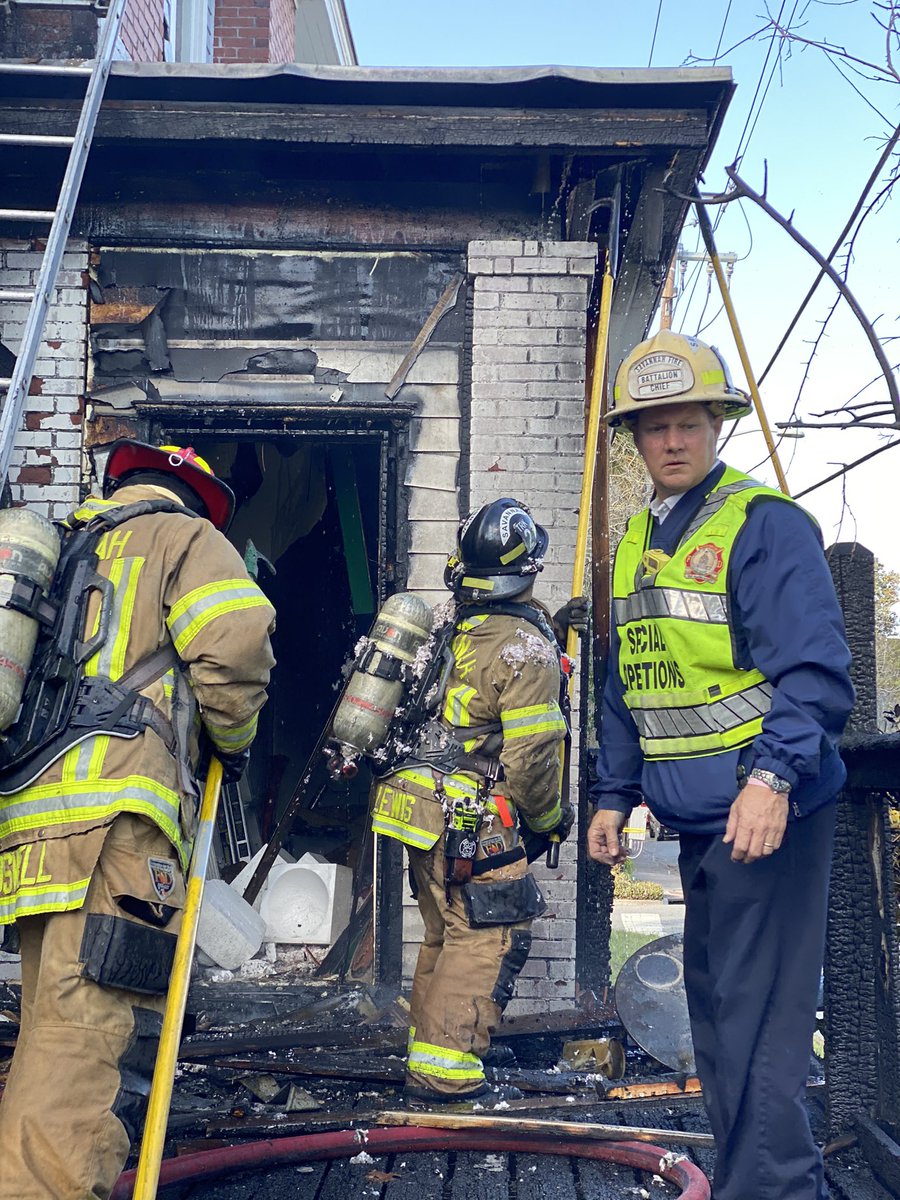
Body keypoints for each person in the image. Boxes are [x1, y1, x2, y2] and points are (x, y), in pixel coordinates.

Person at [587, 331, 854, 1200]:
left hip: (768, 814)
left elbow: (812, 670)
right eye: (654, 426)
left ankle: (776, 1191)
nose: (672, 441)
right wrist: (614, 794)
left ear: (716, 426)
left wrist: (773, 778)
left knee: (762, 1027)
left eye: (689, 423)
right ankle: (750, 1184)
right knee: (719, 1022)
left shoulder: (762, 525)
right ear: (634, 437)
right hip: (701, 822)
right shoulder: (635, 541)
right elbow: (626, 685)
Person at [0, 440, 276, 1200]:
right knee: (84, 1049)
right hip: (118, 828)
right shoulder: (186, 537)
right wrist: (235, 740)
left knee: (49, 1031)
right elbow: (239, 641)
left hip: (33, 831)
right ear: (197, 497)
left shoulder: (61, 550)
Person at [368, 498, 575, 1104]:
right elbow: (533, 758)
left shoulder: (444, 624)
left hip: (418, 810)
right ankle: (445, 1071)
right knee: (489, 936)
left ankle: (427, 1051)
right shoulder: (525, 651)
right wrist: (547, 821)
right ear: (529, 568)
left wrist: (554, 628)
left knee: (446, 932)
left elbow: (472, 689)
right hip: (474, 821)